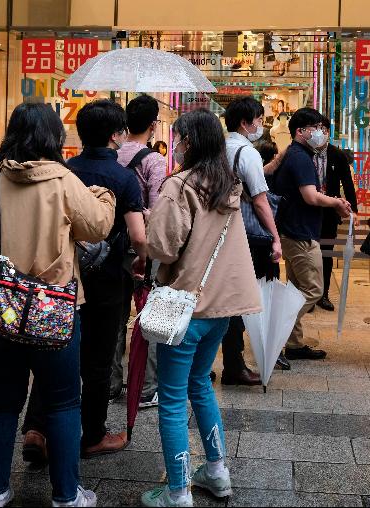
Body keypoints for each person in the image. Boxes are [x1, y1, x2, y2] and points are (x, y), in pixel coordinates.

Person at [0, 102, 115, 507]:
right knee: (64, 401)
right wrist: (103, 195)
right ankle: (67, 495)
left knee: (1, 403)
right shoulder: (63, 181)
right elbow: (98, 226)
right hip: (52, 306)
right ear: (52, 136)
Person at [141, 109, 261, 507]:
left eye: (177, 138)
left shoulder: (180, 186)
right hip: (221, 310)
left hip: (185, 308)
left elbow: (161, 247)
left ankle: (177, 492)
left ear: (188, 142)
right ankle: (217, 471)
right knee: (200, 386)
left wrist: (149, 219)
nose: (174, 144)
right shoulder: (227, 185)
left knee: (173, 399)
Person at [22, 99, 148, 461]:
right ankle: (92, 434)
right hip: (109, 280)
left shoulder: (65, 171)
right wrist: (141, 261)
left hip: (64, 276)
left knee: (55, 349)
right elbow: (138, 235)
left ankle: (36, 428)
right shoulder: (124, 178)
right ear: (115, 136)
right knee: (98, 359)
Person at [273, 108, 351, 364]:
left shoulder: (295, 154)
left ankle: (293, 344)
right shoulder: (300, 157)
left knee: (297, 288)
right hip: (299, 234)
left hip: (295, 229)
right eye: (316, 128)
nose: (321, 133)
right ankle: (278, 334)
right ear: (301, 131)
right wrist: (337, 203)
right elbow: (310, 196)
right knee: (314, 289)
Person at [216, 97, 282, 385]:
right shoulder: (247, 152)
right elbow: (259, 201)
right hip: (247, 235)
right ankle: (234, 365)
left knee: (224, 297)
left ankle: (225, 362)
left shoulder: (217, 149)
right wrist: (275, 237)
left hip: (218, 231)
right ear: (245, 123)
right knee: (242, 299)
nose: (260, 125)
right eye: (258, 119)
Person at [110, 94, 168, 407]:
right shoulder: (154, 161)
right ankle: (146, 388)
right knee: (150, 315)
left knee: (114, 317)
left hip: (110, 245)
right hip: (141, 247)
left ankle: (111, 382)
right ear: (152, 124)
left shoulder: (112, 155)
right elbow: (158, 212)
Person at [314, 117, 358, 312]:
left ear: (328, 132)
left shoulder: (337, 155)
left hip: (330, 212)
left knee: (326, 253)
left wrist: (353, 211)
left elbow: (347, 184)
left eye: (323, 129)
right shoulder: (304, 152)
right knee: (307, 254)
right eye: (316, 128)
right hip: (308, 211)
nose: (320, 132)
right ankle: (308, 295)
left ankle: (323, 294)